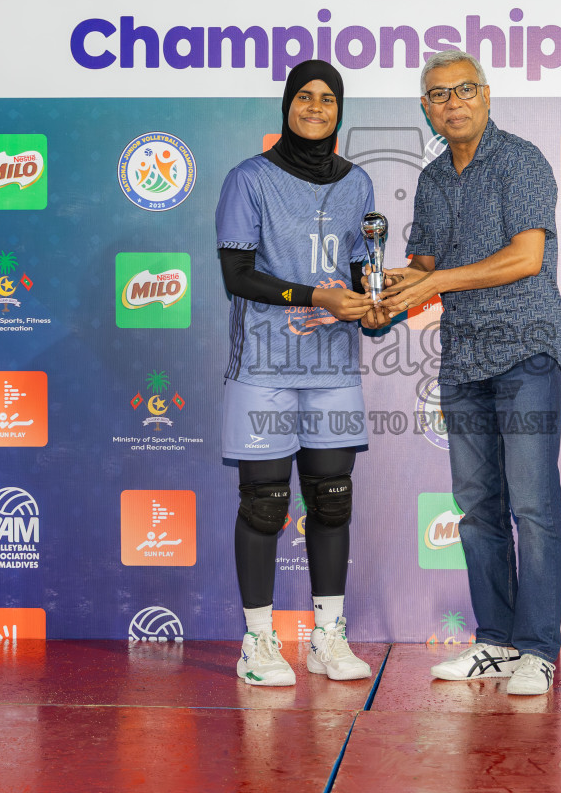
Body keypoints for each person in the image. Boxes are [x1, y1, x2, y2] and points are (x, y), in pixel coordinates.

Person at [379, 49, 561, 696]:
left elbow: (524, 257)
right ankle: (495, 644)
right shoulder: (432, 180)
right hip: (462, 359)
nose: (453, 102)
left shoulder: (522, 161)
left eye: (464, 90)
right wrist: (364, 295)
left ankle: (538, 652)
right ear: (426, 110)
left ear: (486, 96)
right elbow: (423, 267)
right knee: (479, 509)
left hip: (526, 354)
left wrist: (431, 280)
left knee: (534, 507)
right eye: (438, 94)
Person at [216, 59, 389, 687]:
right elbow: (237, 277)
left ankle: (327, 636)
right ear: (287, 104)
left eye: (328, 99)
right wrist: (316, 298)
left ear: (340, 110)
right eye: (304, 97)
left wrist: (373, 300)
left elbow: (361, 265)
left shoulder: (358, 184)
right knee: (265, 503)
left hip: (334, 363)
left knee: (331, 499)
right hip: (263, 363)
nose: (316, 108)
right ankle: (258, 642)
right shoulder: (248, 179)